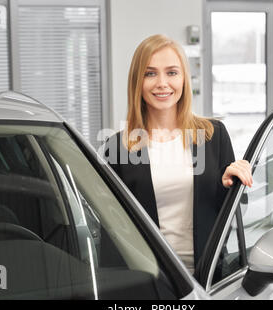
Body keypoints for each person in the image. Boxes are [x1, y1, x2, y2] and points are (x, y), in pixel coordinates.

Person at [103, 34, 252, 274]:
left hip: (209, 276)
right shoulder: (117, 147)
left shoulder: (213, 135)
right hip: (150, 281)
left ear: (184, 79)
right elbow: (111, 229)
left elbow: (238, 208)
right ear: (137, 82)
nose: (162, 83)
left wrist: (230, 185)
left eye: (172, 72)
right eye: (150, 73)